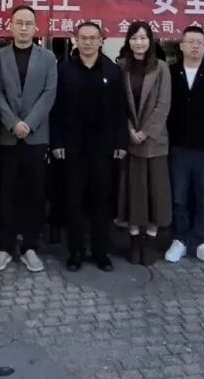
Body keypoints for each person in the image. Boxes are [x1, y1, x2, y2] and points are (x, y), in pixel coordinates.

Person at [51, 21, 127, 272]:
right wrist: (57, 141)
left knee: (101, 202)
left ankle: (100, 252)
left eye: (93, 38)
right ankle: (75, 251)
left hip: (103, 148)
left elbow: (120, 110)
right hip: (72, 147)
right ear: (75, 40)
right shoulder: (64, 69)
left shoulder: (112, 70)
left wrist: (120, 141)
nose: (87, 42)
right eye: (83, 38)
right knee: (73, 201)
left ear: (101, 40)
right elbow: (56, 109)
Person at [0, 6, 58, 273]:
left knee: (35, 193)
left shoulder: (48, 58)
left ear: (36, 27)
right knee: (5, 193)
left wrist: (29, 123)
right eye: (19, 23)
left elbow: (49, 93)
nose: (24, 28)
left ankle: (30, 246)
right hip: (7, 137)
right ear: (11, 26)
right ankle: (5, 247)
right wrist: (12, 122)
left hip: (36, 136)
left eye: (29, 23)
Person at [164, 26, 204, 268]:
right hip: (177, 147)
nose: (194, 46)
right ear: (181, 46)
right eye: (190, 42)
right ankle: (179, 239)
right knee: (179, 198)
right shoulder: (170, 73)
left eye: (199, 42)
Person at [116, 22, 173, 266]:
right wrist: (130, 129)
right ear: (128, 41)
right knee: (133, 192)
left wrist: (146, 132)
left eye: (143, 38)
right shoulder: (122, 67)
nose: (139, 42)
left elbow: (163, 104)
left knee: (155, 193)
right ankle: (134, 240)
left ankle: (150, 241)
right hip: (130, 139)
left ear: (151, 41)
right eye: (134, 38)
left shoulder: (161, 68)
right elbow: (118, 102)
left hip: (154, 141)